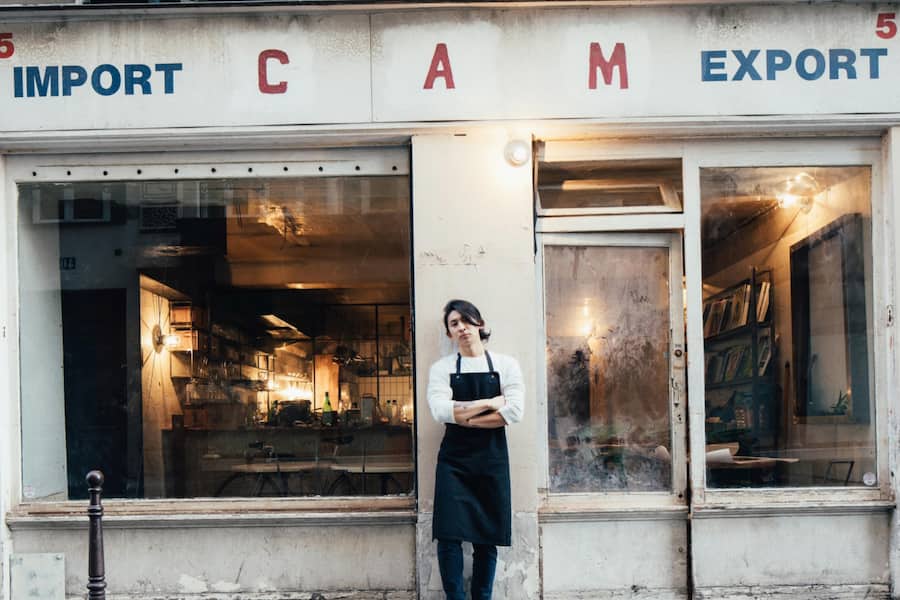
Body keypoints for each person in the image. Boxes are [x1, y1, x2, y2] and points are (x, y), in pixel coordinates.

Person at [427, 299, 525, 600]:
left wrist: (465, 417)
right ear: (449, 333)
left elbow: (514, 412)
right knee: (448, 535)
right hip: (453, 462)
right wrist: (489, 403)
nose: (462, 327)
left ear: (479, 324)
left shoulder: (506, 365)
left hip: (491, 460)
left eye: (467, 321)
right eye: (454, 324)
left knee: (487, 536)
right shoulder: (442, 368)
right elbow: (440, 411)